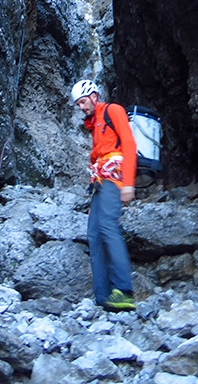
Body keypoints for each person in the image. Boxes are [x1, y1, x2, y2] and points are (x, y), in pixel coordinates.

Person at [72, 78, 137, 312]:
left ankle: (124, 290)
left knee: (108, 226)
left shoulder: (113, 111)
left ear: (94, 96)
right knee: (94, 233)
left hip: (115, 177)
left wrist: (128, 183)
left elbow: (129, 143)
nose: (81, 107)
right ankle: (103, 296)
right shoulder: (96, 123)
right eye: (78, 104)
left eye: (82, 102)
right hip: (100, 183)